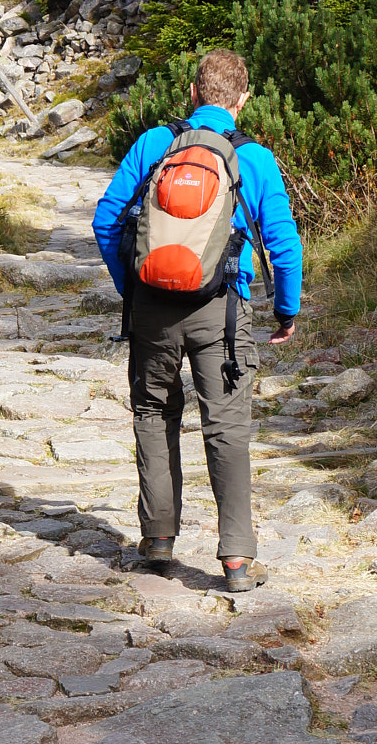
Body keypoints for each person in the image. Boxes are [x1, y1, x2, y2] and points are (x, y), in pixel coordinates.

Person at [92, 47, 302, 594]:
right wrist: (286, 309)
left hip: (151, 311)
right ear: (243, 98)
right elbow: (282, 241)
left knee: (154, 413)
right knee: (226, 428)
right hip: (222, 315)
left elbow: (106, 219)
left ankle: (158, 541)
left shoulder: (155, 144)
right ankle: (235, 559)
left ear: (193, 93)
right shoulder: (252, 158)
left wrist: (131, 286)